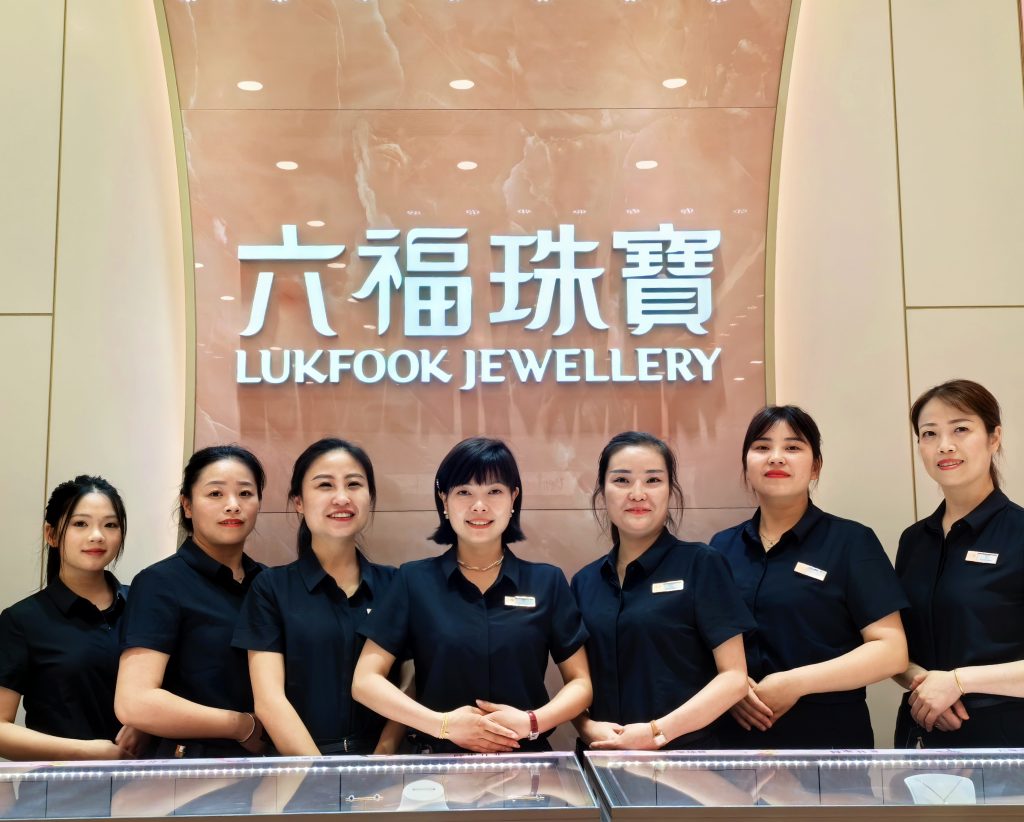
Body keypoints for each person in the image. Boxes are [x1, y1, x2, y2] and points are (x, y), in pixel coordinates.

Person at [352, 437, 591, 753]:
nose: (479, 505)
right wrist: (443, 725)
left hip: (527, 762)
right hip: (439, 765)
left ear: (513, 498)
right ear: (444, 500)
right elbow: (365, 682)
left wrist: (532, 722)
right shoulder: (413, 580)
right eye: (464, 492)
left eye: (494, 491)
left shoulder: (547, 582)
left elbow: (581, 683)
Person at [710, 406, 908, 748]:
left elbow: (891, 651)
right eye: (762, 447)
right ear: (746, 464)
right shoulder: (720, 547)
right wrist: (731, 686)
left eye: (792, 447)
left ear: (815, 466)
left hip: (827, 744)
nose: (776, 457)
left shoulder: (851, 542)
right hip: (734, 744)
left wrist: (795, 683)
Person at [570, 432, 752, 750]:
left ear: (671, 490)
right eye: (622, 480)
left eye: (653, 480)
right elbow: (578, 683)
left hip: (685, 762)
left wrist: (656, 733)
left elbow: (735, 679)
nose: (637, 494)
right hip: (603, 761)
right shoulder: (585, 582)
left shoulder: (701, 564)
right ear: (602, 491)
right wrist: (587, 727)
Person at [233, 438, 404, 755]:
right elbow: (269, 701)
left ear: (369, 498)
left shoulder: (396, 584)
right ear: (298, 501)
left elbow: (410, 681)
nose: (342, 498)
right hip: (298, 768)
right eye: (325, 485)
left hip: (382, 769)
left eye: (354, 484)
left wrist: (384, 755)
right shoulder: (270, 588)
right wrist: (320, 775)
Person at [115, 445, 268, 758]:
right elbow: (135, 701)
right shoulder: (160, 582)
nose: (233, 505)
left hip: (270, 765)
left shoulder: (269, 583)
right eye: (215, 494)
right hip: (191, 767)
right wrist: (241, 725)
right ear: (187, 505)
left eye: (245, 493)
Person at [894, 379, 1024, 747]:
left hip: (1007, 741)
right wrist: (925, 685)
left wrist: (957, 682)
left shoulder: (1019, 533)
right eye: (929, 433)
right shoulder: (914, 540)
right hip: (924, 733)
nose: (944, 445)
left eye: (961, 429)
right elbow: (897, 647)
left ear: (994, 438)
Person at [0, 476, 146, 760]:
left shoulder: (144, 604)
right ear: (51, 534)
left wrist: (149, 725)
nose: (97, 535)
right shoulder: (21, 621)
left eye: (110, 525)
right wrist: (88, 751)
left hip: (147, 782)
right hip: (61, 783)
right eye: (80, 524)